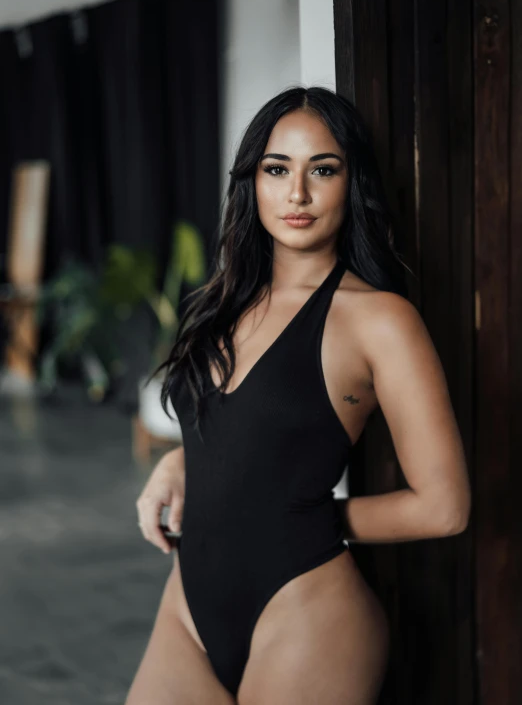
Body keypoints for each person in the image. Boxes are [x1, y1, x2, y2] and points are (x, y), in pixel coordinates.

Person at [125, 86, 471, 705]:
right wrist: (180, 463)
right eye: (277, 168)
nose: (298, 194)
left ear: (352, 181)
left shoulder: (378, 320)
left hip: (306, 611)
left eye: (324, 170)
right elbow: (241, 430)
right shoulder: (223, 302)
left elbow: (444, 507)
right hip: (188, 608)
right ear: (252, 181)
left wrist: (299, 516)